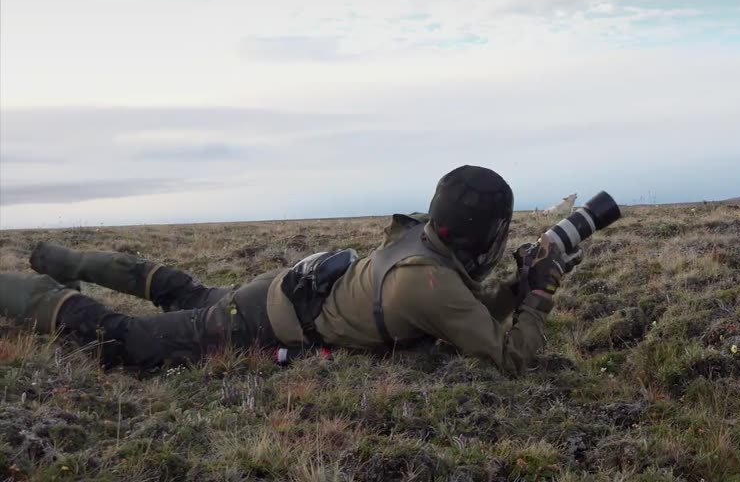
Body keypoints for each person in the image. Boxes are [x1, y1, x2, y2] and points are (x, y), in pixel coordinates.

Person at [0, 165, 566, 376]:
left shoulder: (421, 241)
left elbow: (465, 315)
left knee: (180, 290)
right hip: (257, 324)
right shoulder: (429, 282)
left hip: (273, 293)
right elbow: (510, 356)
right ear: (486, 236)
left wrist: (517, 286)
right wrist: (536, 296)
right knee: (124, 343)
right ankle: (28, 292)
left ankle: (63, 259)